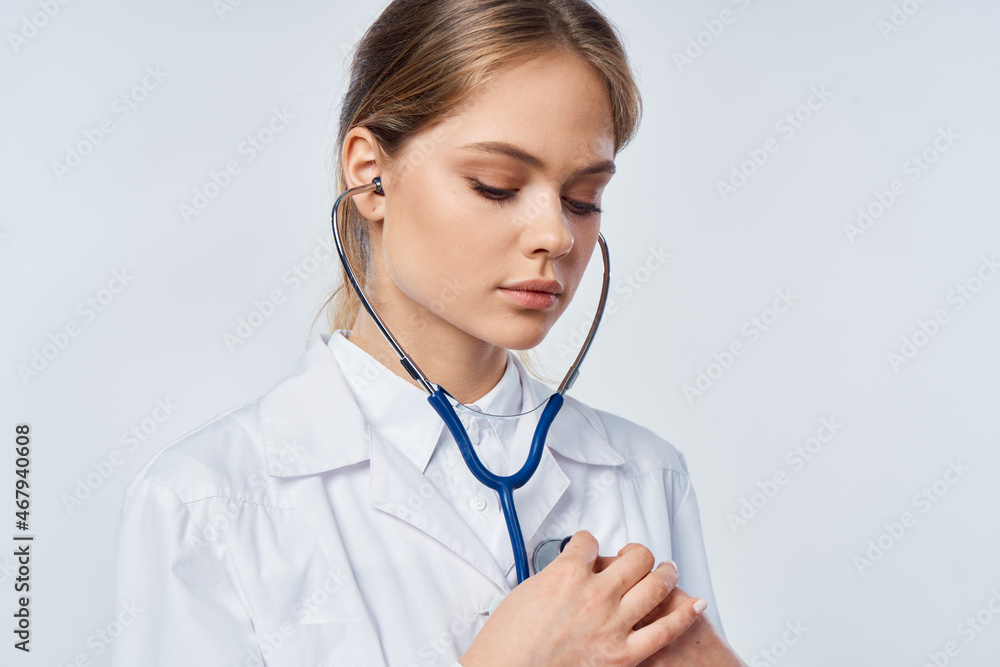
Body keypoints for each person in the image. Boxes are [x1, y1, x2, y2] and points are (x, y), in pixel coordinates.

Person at [113, 1, 745, 665]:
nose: (556, 235)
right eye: (496, 185)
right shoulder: (203, 500)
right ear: (371, 176)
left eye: (583, 198)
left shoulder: (647, 475)